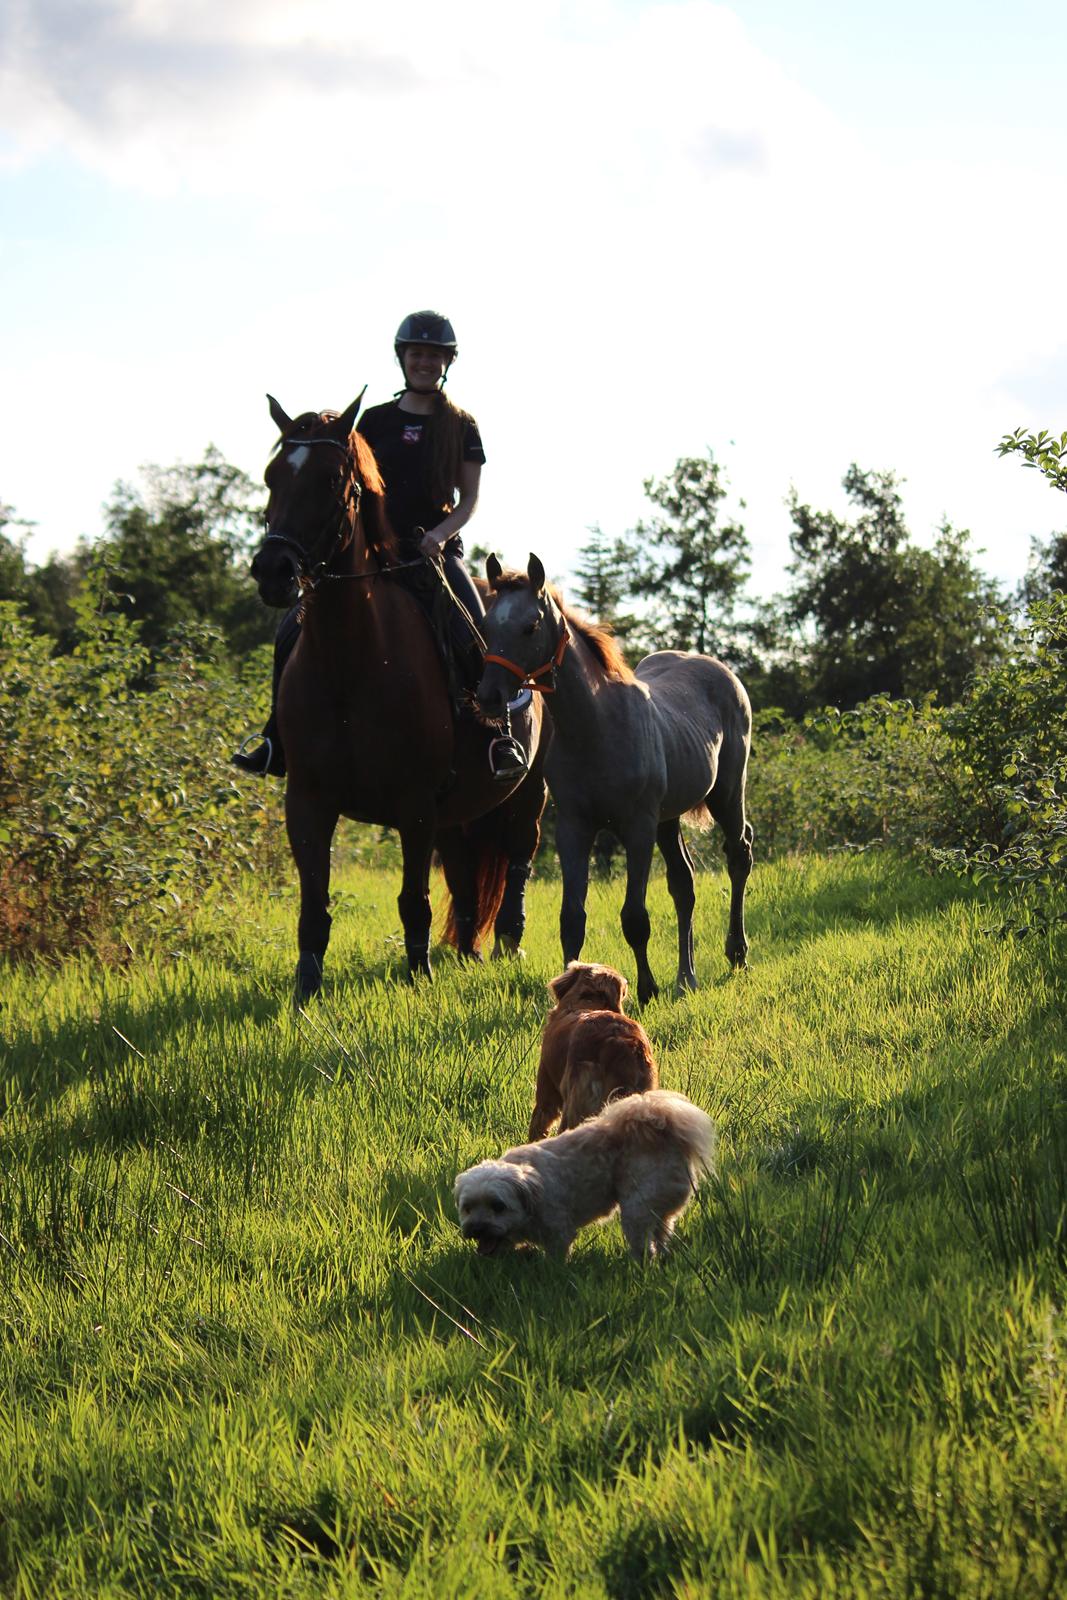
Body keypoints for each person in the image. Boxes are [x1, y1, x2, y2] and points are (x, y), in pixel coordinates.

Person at [234, 310, 524, 779]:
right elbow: (346, 484)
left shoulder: (463, 426)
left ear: (446, 362)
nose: (425, 363)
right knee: (291, 627)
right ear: (403, 359)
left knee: (474, 629)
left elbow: (469, 499)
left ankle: (498, 737)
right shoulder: (373, 420)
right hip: (374, 552)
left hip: (433, 550)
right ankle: (275, 738)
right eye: (417, 354)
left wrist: (438, 536)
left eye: (434, 355)